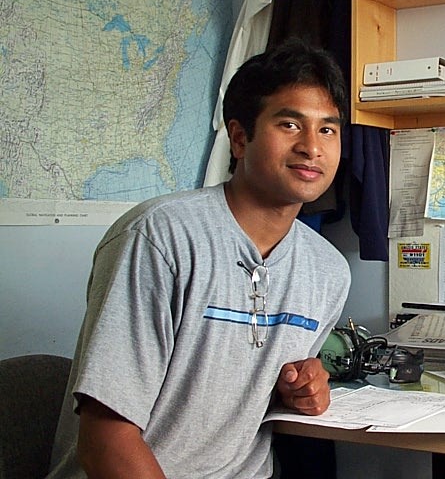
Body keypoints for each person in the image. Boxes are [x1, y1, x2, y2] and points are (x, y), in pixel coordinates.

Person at [47, 38, 351, 478]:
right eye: (289, 125)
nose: (312, 147)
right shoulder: (158, 238)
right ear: (240, 138)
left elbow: (241, 382)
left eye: (327, 129)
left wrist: (300, 387)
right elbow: (105, 440)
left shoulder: (328, 271)